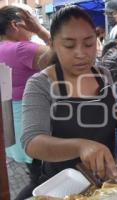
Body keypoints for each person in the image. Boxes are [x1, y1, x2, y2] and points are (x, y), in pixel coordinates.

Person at [19, 6, 117, 199]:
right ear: (54, 45)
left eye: (88, 44)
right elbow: (32, 141)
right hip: (63, 186)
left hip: (104, 182)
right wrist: (81, 146)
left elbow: (113, 110)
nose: (81, 53)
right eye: (69, 45)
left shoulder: (102, 75)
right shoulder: (41, 84)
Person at [0, 5, 52, 195]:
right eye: (29, 20)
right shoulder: (22, 49)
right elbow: (65, 56)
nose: (31, 25)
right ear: (15, 24)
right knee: (42, 182)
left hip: (12, 125)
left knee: (36, 177)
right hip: (32, 124)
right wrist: (40, 29)